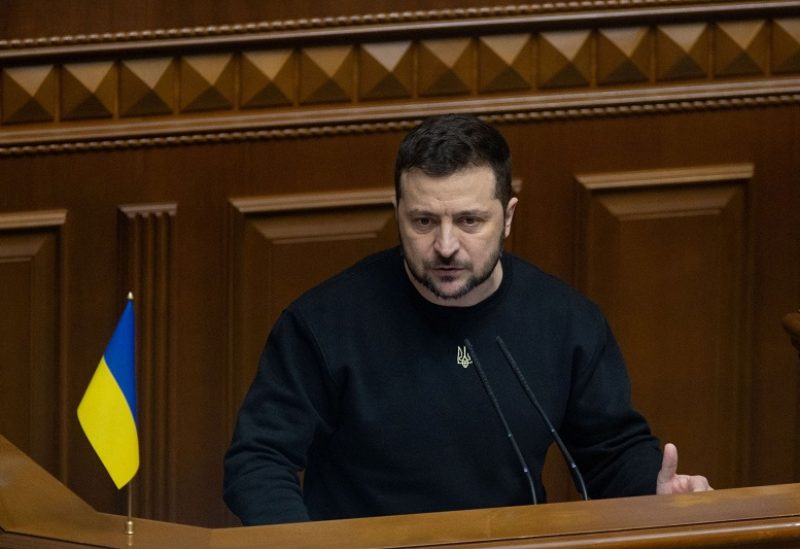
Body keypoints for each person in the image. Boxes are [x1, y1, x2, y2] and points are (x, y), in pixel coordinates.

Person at [223, 113, 711, 525]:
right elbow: (258, 461)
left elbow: (609, 452)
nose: (446, 246)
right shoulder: (324, 322)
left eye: (470, 221)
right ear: (397, 213)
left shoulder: (564, 321)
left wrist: (652, 490)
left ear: (509, 216)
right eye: (424, 221)